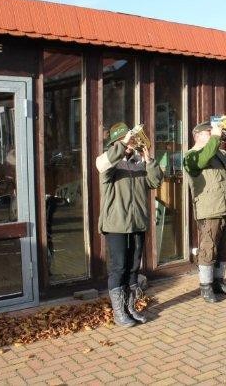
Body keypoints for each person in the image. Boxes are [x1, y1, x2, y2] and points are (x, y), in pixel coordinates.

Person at [96, 122, 162, 327]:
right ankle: (119, 312)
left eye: (132, 139)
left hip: (137, 223)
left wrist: (148, 159)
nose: (132, 143)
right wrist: (124, 143)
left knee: (133, 267)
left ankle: (130, 307)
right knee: (119, 267)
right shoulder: (108, 163)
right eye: (127, 140)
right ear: (117, 142)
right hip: (116, 224)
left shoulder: (138, 163)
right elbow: (102, 165)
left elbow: (156, 181)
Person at [184, 119, 226, 303]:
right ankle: (206, 286)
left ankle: (219, 282)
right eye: (209, 133)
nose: (214, 135)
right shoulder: (192, 155)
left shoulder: (220, 153)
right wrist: (216, 139)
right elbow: (203, 159)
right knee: (208, 248)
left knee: (224, 248)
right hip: (209, 208)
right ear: (198, 135)